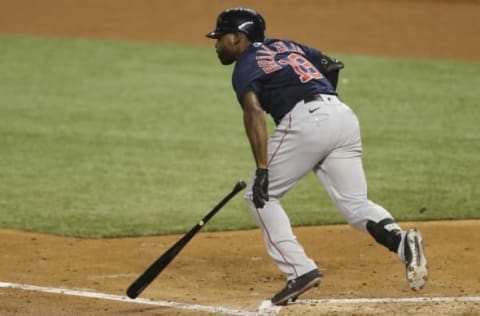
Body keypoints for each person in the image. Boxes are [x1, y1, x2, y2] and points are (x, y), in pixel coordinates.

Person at [205, 7, 428, 306]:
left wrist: (262, 169)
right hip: (342, 116)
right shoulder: (285, 45)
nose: (217, 43)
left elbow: (253, 113)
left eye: (221, 37)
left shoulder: (245, 65)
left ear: (239, 38)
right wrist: (324, 114)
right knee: (355, 203)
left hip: (307, 121)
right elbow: (331, 65)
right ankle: (401, 242)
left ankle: (300, 270)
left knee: (260, 197)